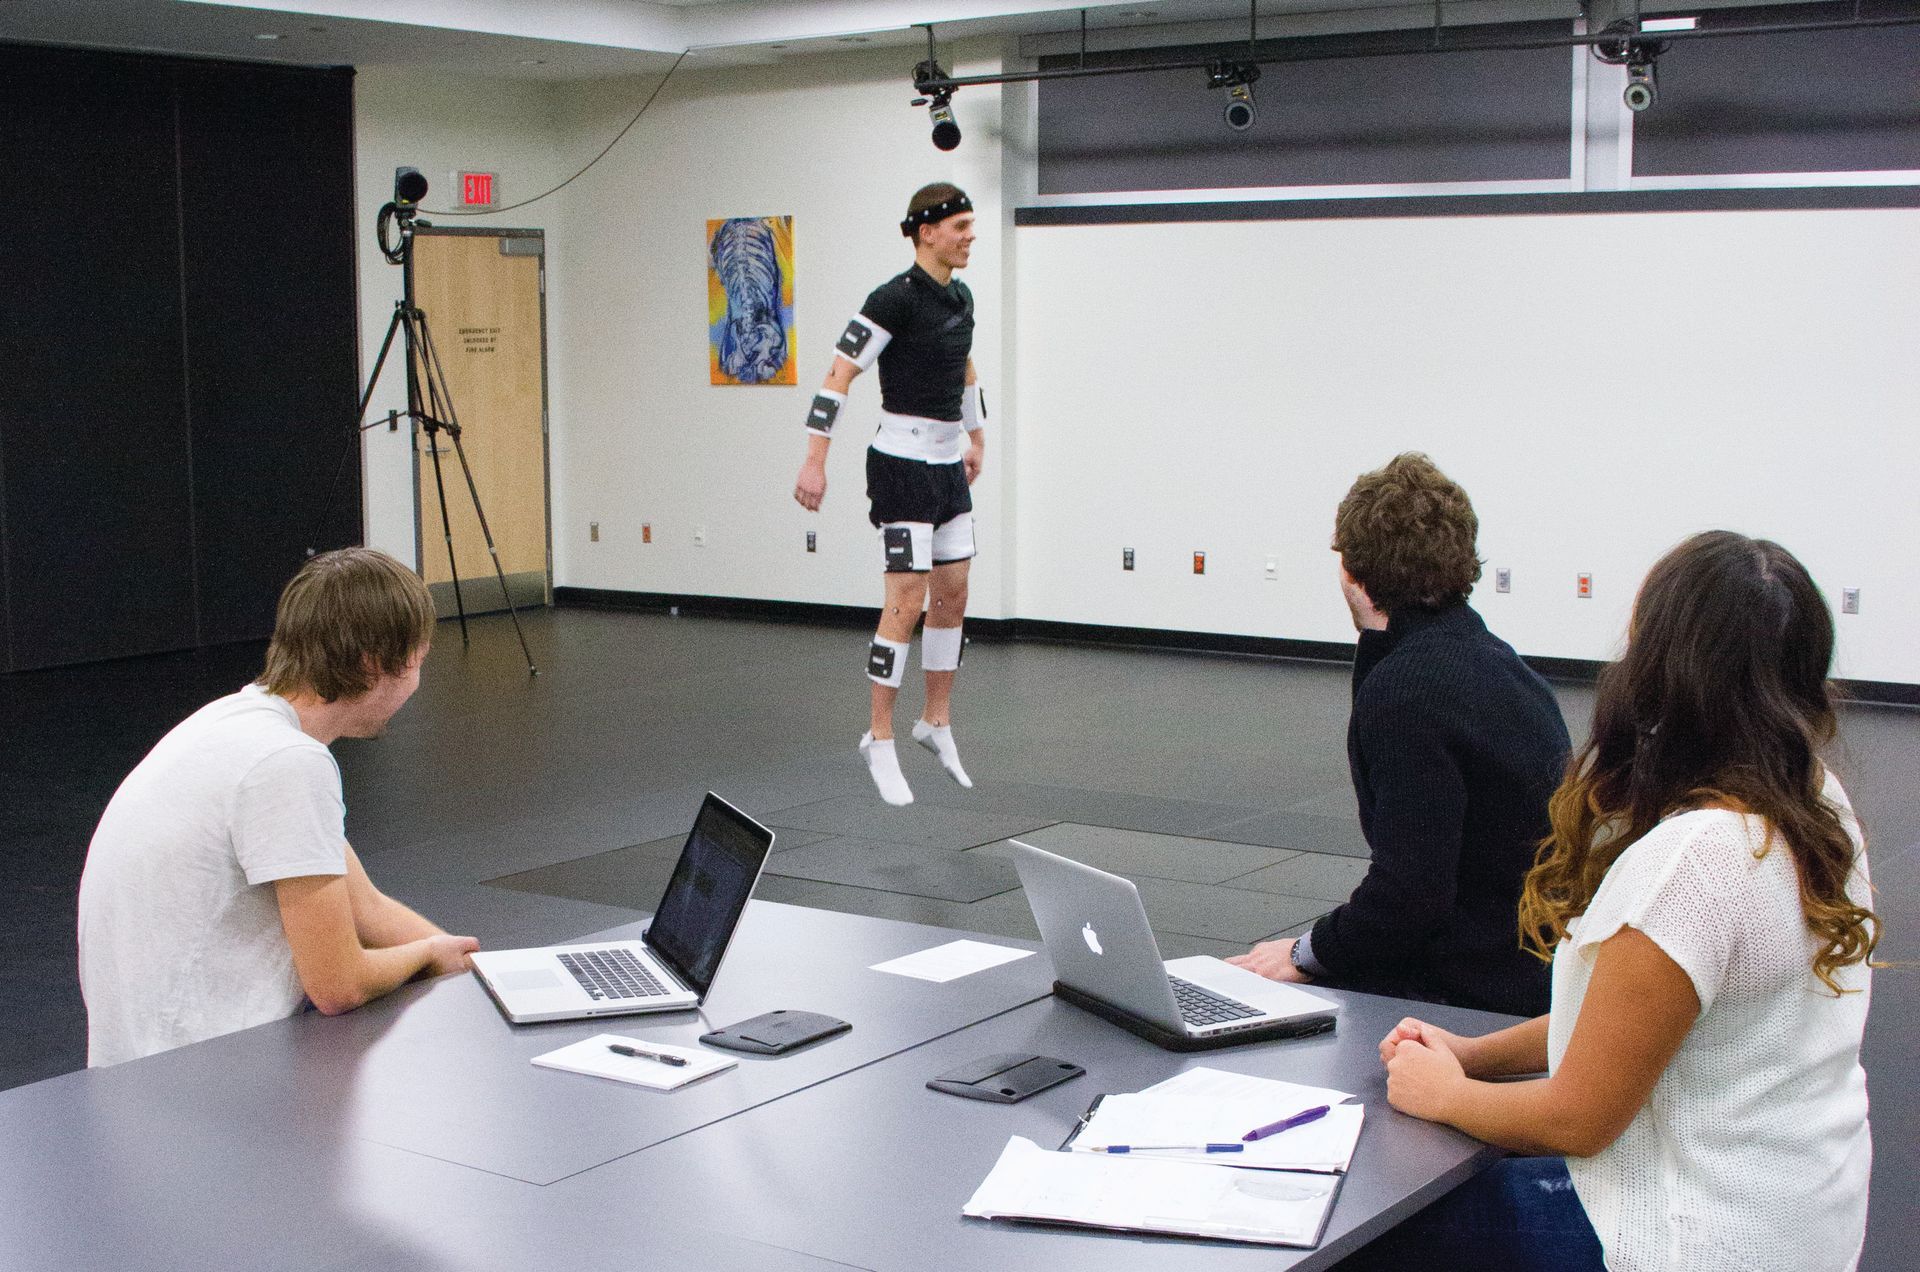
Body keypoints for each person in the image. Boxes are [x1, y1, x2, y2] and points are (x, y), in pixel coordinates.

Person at [1352, 531, 1878, 1272]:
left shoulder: (1696, 861)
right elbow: (1632, 1021)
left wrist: (1444, 1094)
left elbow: (1578, 1118)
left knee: (1381, 1230)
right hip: (1805, 1223)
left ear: (1661, 666)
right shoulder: (1818, 805)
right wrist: (1473, 1057)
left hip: (1694, 1241)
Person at [77, 548, 480, 1066]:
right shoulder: (289, 764)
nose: (418, 683)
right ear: (375, 664)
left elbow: (367, 908)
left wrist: (486, 975)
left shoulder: (237, 723)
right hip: (193, 1070)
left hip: (140, 1061)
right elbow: (338, 985)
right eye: (418, 662)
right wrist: (425, 955)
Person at [1229, 453, 1569, 1017]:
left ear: (1351, 571)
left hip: (1468, 990)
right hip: (1532, 972)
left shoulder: (1406, 691)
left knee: (1250, 988)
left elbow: (1411, 895)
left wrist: (1305, 953)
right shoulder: (1509, 670)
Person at [793, 182, 986, 807]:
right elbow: (838, 374)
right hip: (901, 466)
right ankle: (878, 735)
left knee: (953, 594)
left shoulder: (961, 296)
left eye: (971, 226)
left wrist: (977, 436)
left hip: (947, 465)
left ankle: (935, 721)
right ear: (927, 232)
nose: (970, 237)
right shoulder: (892, 300)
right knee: (905, 600)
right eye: (960, 227)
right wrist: (815, 461)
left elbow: (965, 367)